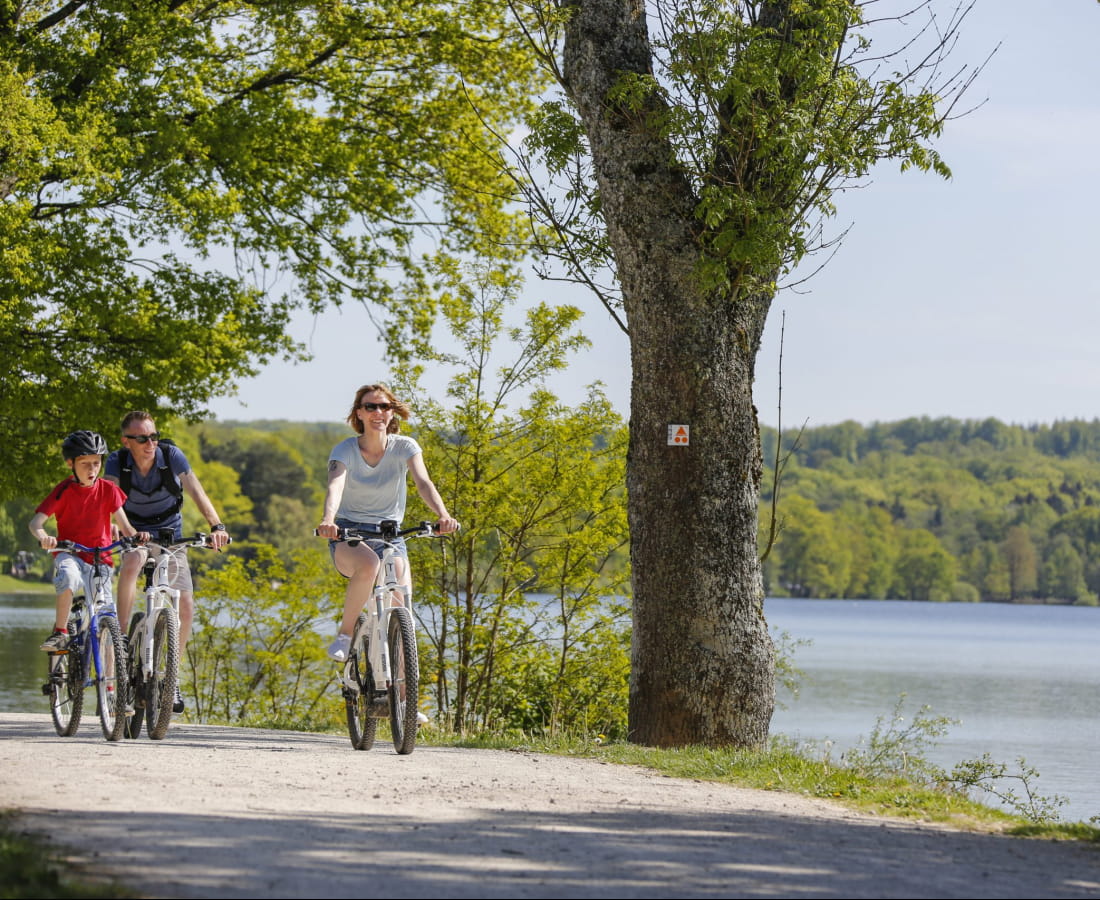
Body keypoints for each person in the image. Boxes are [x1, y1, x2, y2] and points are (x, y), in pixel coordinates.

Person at [317, 384, 458, 663]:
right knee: (369, 565)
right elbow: (336, 485)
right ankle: (345, 635)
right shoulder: (345, 450)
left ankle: (403, 702)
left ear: (392, 413)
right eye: (371, 407)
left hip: (391, 536)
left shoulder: (405, 446)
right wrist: (328, 520)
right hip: (349, 534)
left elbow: (423, 482)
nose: (378, 412)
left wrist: (443, 514)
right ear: (360, 413)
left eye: (384, 406)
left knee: (402, 613)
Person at [103, 411, 230, 712]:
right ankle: (121, 638)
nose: (151, 443)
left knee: (185, 605)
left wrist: (217, 526)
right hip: (133, 531)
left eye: (154, 436)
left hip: (170, 533)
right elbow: (107, 498)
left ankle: (170, 678)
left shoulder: (170, 455)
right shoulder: (115, 462)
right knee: (133, 561)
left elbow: (196, 489)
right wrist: (122, 530)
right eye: (143, 438)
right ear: (127, 442)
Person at [28, 430, 149, 652]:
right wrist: (44, 537)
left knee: (105, 612)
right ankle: (60, 632)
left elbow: (125, 526)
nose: (92, 469)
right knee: (68, 577)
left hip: (100, 557)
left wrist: (136, 538)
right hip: (70, 553)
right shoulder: (63, 490)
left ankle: (111, 678)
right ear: (70, 464)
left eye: (96, 463)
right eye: (85, 464)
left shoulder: (108, 490)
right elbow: (35, 523)